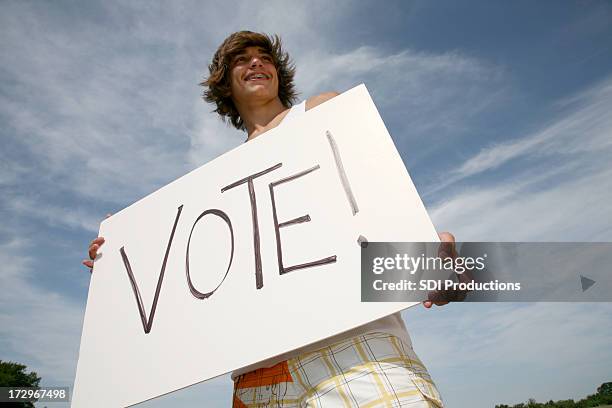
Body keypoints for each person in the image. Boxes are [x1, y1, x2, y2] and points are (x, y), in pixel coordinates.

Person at [84, 31, 456, 407]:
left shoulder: (321, 111)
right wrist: (122, 263)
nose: (257, 62)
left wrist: (436, 271)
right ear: (225, 84)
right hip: (257, 378)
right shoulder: (215, 190)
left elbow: (380, 218)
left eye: (264, 57)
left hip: (356, 353)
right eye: (242, 60)